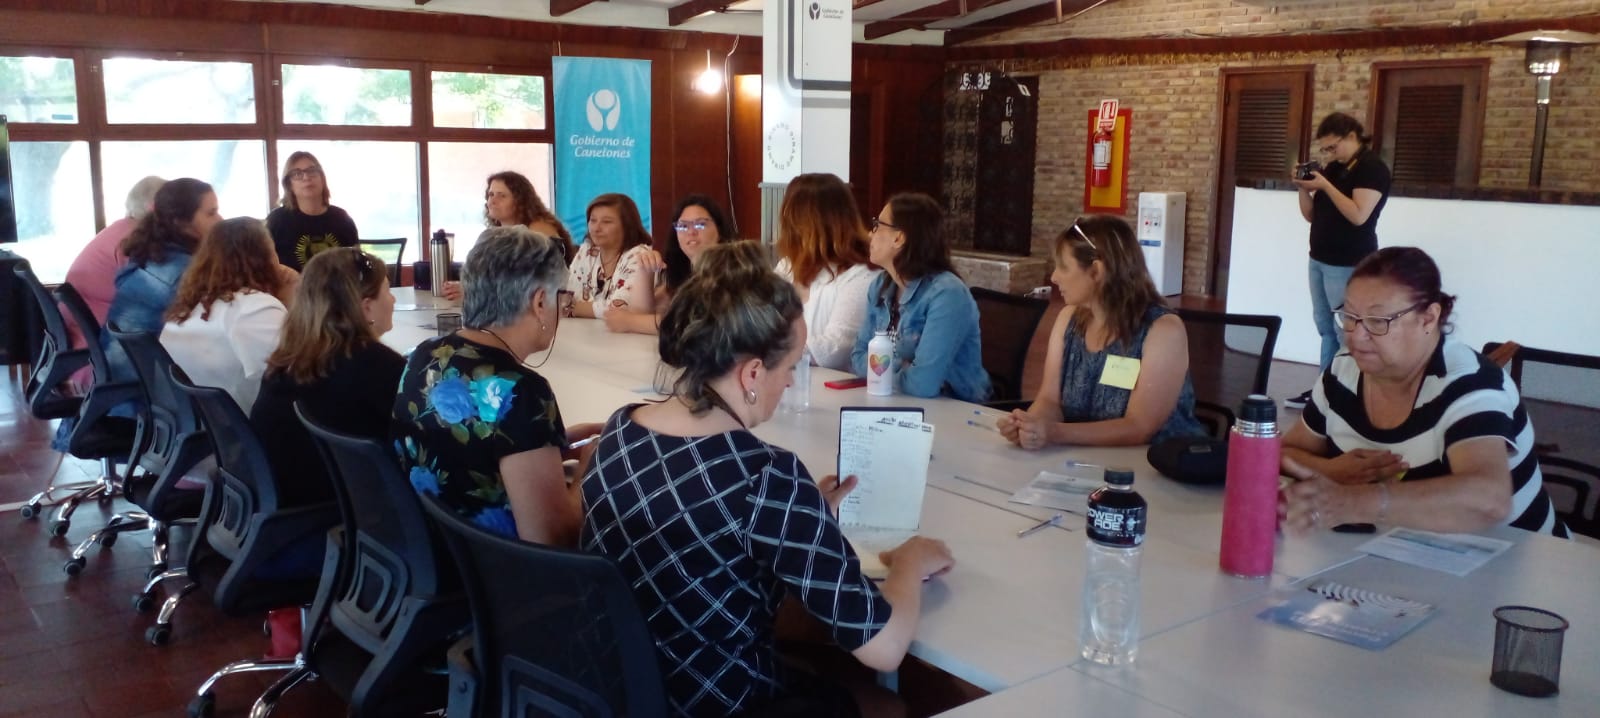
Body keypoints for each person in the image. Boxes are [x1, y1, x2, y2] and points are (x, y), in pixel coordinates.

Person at [582, 241, 954, 717]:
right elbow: (883, 647)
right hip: (720, 700)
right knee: (887, 705)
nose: (789, 381)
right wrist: (909, 562)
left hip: (616, 689)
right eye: (790, 366)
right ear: (753, 372)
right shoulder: (765, 475)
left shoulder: (622, 428)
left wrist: (805, 514)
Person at [1279, 247, 1566, 537]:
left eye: (1378, 321)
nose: (1355, 334)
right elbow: (1283, 453)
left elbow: (1489, 498)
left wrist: (1355, 502)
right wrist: (1332, 472)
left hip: (1521, 563)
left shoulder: (1468, 383)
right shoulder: (1344, 370)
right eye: (1350, 316)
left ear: (1429, 318)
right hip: (1405, 553)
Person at [393, 226, 601, 545]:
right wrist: (590, 466)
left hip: (431, 546)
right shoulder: (520, 390)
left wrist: (547, 445)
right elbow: (553, 537)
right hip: (499, 574)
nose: (564, 307)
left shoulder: (424, 355)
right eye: (563, 297)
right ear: (540, 302)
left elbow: (467, 448)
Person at [997, 215, 1204, 449]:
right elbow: (1049, 400)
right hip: (1084, 460)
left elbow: (1139, 427)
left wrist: (1054, 432)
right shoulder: (1069, 319)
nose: (1054, 277)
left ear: (1096, 271)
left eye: (1063, 267)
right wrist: (1029, 426)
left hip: (1158, 468)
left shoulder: (1163, 331)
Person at [252, 247, 401, 508]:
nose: (393, 300)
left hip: (282, 501)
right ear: (366, 308)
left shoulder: (289, 355)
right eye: (387, 291)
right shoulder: (377, 366)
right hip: (341, 510)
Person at [1287, 112, 1392, 410]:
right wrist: (1303, 188)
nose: (1330, 154)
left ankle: (1348, 393)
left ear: (1351, 137)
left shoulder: (1372, 169)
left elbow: (1359, 215)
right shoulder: (1333, 169)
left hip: (1349, 262)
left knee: (1346, 330)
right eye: (1326, 150)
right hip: (1319, 258)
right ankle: (1324, 390)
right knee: (1324, 326)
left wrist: (1326, 187)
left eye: (1333, 147)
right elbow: (1310, 215)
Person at [849, 192, 989, 402]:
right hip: (895, 402)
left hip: (953, 409)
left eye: (877, 225)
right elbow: (858, 358)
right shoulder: (880, 286)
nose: (870, 234)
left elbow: (923, 384)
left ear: (899, 237)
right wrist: (902, 365)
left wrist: (884, 367)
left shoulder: (946, 294)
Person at [160, 217, 296, 414]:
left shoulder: (190, 306)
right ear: (261, 259)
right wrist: (297, 302)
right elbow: (295, 374)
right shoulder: (255, 308)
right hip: (248, 430)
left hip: (201, 426)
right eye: (273, 251)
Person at [101, 177, 221, 389]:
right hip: (145, 395)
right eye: (211, 213)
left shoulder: (154, 256)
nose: (220, 220)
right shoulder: (184, 272)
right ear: (182, 223)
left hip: (122, 387)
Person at [62, 175, 165, 388]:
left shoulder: (120, 229)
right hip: (105, 351)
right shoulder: (134, 240)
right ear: (156, 208)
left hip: (84, 340)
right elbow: (156, 296)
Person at [774, 173, 880, 371]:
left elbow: (835, 349)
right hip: (787, 382)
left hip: (838, 391)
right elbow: (760, 325)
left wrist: (770, 351)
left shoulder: (862, 274)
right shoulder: (786, 267)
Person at [602, 193, 731, 335]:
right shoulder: (683, 274)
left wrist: (630, 322)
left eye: (700, 224)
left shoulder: (732, 270)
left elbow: (697, 324)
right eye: (683, 226)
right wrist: (645, 271)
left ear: (719, 229)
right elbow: (641, 312)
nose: (691, 232)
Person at [439, 170, 573, 301]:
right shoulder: (494, 235)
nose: (492, 201)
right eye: (491, 194)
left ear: (520, 201)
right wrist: (466, 287)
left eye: (502, 196)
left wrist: (475, 293)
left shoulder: (538, 230)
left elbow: (529, 283)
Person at [564, 193, 656, 320]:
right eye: (593, 220)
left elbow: (622, 309)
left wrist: (576, 308)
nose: (596, 228)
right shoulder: (587, 251)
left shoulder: (639, 255)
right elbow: (567, 297)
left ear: (627, 225)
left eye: (606, 222)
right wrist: (572, 306)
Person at [266, 151, 361, 271]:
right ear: (289, 184)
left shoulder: (342, 218)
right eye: (297, 174)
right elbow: (265, 267)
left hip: (337, 289)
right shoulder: (277, 220)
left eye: (312, 171)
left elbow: (356, 264)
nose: (306, 177)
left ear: (322, 178)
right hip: (292, 289)